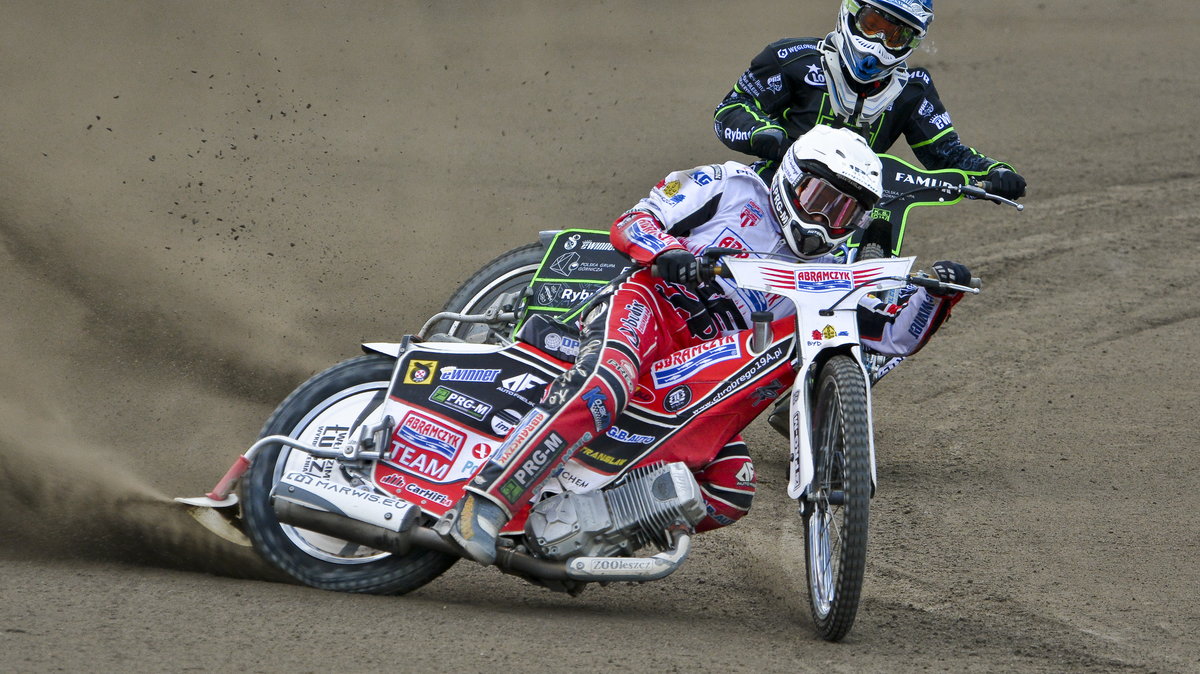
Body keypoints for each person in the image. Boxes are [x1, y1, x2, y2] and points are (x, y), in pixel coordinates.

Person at [440, 125, 973, 565]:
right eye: (818, 198)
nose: (823, 221)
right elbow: (634, 221)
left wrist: (937, 296)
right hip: (649, 307)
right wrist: (667, 252)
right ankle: (483, 501)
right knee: (608, 382)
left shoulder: (831, 272)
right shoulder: (731, 187)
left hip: (698, 372)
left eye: (843, 213)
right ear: (791, 177)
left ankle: (579, 530)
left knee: (732, 485)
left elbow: (891, 335)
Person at [712, 0, 1027, 200]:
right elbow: (731, 109)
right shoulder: (791, 58)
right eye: (873, 25)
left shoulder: (912, 91)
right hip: (773, 189)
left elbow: (945, 153)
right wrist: (767, 137)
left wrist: (994, 172)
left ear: (912, 42)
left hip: (857, 208)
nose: (879, 42)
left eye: (895, 36)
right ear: (851, 12)